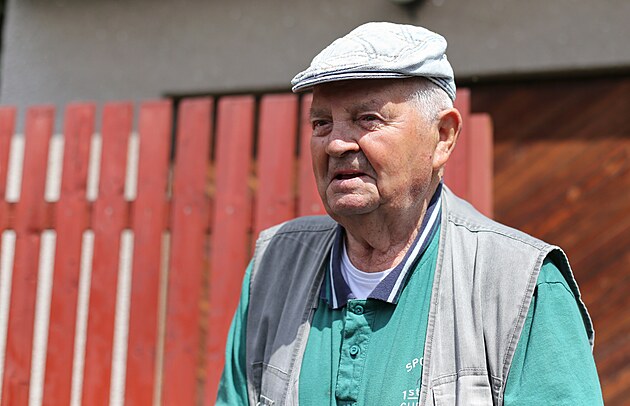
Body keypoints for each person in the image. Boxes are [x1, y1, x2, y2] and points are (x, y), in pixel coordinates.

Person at [217, 22, 603, 405]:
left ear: (443, 137)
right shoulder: (274, 267)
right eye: (322, 123)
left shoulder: (520, 284)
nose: (336, 144)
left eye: (368, 119)